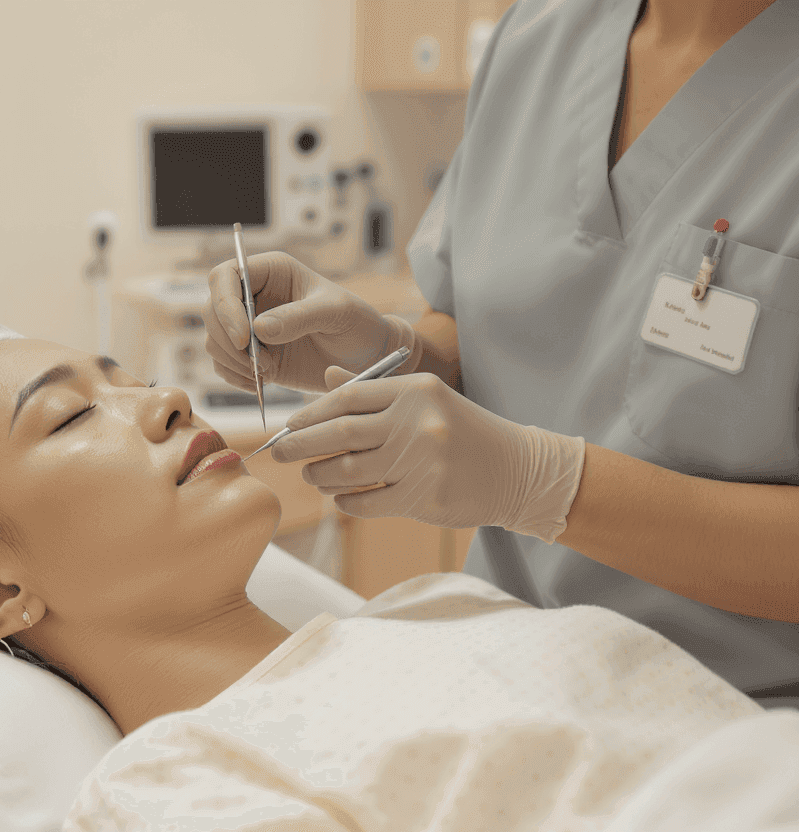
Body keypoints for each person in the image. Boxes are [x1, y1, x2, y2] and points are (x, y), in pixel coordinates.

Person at [0, 315, 793, 830]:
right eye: (71, 416)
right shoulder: (173, 790)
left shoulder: (432, 603)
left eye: (124, 377)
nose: (158, 399)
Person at [204, 0, 799, 709]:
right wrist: (393, 351)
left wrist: (543, 484)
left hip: (739, 724)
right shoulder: (539, 35)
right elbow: (493, 329)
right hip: (503, 674)